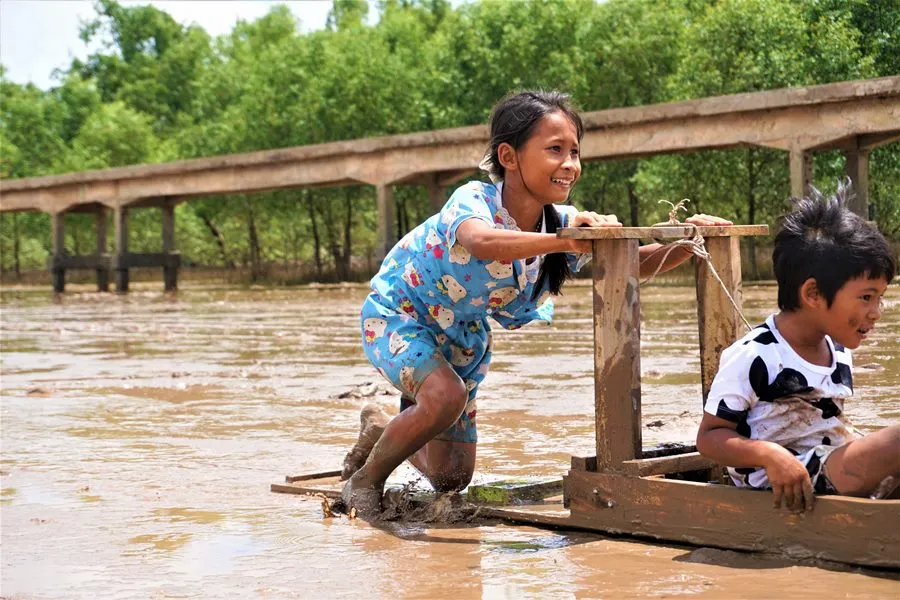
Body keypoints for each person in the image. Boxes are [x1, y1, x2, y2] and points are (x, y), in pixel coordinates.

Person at [338, 90, 731, 518]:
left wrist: (692, 243)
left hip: (461, 334)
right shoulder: (474, 201)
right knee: (445, 394)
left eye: (575, 152)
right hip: (399, 315)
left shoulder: (559, 223)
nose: (569, 164)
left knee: (452, 478)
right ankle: (365, 481)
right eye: (555, 150)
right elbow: (483, 242)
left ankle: (383, 429)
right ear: (509, 156)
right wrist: (567, 241)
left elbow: (632, 263)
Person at [697, 182, 900, 512]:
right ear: (814, 294)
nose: (876, 313)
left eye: (880, 298)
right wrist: (770, 455)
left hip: (830, 467)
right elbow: (709, 437)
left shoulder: (837, 349)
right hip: (785, 484)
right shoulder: (755, 355)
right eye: (866, 297)